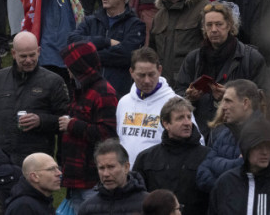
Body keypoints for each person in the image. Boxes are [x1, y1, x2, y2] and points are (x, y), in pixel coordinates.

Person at [176, 1, 268, 134]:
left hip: (237, 133)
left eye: (219, 24)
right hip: (199, 132)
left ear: (229, 25)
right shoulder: (194, 58)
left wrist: (232, 97)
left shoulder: (250, 58)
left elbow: (264, 96)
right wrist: (189, 97)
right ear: (204, 28)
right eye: (209, 25)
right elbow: (177, 92)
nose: (214, 30)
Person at [0, 31, 69, 166]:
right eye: (23, 56)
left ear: (39, 51)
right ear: (14, 54)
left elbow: (66, 121)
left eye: (32, 55)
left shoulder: (53, 81)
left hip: (36, 159)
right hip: (0, 158)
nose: (28, 60)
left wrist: (41, 121)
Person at [59, 41, 118, 211]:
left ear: (80, 67)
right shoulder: (79, 89)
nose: (67, 70)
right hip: (76, 178)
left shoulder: (104, 93)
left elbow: (108, 134)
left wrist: (72, 125)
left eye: (70, 66)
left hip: (92, 180)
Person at [133, 98, 209, 215]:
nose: (187, 123)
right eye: (180, 118)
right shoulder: (146, 158)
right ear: (166, 124)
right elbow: (137, 199)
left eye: (189, 117)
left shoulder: (207, 156)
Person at [116, 45, 187, 164]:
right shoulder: (124, 102)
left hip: (160, 177)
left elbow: (195, 143)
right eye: (141, 75)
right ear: (131, 72)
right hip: (128, 178)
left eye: (151, 74)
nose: (147, 80)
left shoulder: (176, 104)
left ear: (159, 70)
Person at [208, 118, 270, 215]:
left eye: (268, 146)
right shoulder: (226, 183)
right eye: (259, 147)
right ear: (247, 149)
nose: (265, 152)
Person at [77, 139, 148, 215]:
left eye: (111, 167)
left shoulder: (147, 205)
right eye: (101, 168)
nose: (105, 174)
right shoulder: (87, 209)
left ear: (126, 167)